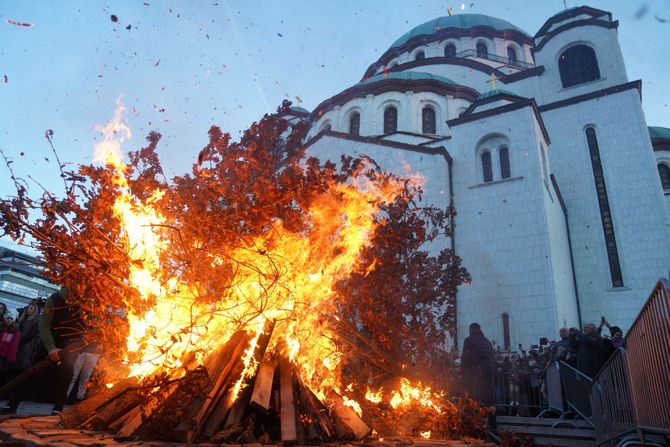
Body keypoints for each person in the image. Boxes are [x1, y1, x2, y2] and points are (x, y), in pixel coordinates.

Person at [0, 285, 86, 416]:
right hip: (51, 339)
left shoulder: (86, 303)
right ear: (68, 290)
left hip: (72, 343)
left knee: (66, 373)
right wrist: (51, 347)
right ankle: (13, 404)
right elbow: (44, 324)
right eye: (73, 293)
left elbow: (88, 326)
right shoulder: (54, 299)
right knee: (33, 372)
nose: (75, 296)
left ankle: (58, 408)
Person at [461, 322, 496, 428]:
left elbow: (465, 357)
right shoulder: (487, 341)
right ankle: (493, 423)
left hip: (476, 372)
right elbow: (492, 358)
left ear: (471, 330)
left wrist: (462, 372)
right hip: (489, 372)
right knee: (489, 398)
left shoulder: (468, 340)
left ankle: (474, 423)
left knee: (472, 397)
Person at [11, 301, 41, 373]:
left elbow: (26, 335)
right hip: (19, 345)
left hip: (25, 347)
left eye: (31, 308)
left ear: (35, 310)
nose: (28, 310)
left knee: (19, 367)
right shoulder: (23, 319)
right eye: (28, 308)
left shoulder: (34, 322)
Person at [0, 313, 21, 380]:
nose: (9, 320)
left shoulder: (15, 331)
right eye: (7, 318)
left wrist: (10, 358)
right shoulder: (1, 327)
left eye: (11, 318)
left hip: (4, 356)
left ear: (14, 320)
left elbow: (13, 346)